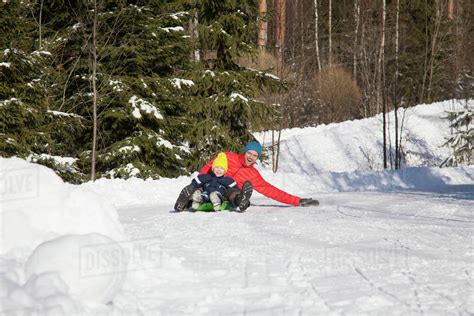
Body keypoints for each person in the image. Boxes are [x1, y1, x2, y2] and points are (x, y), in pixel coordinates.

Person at [174, 141, 319, 212]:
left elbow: (270, 190)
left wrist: (297, 201)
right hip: (210, 185)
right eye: (250, 153)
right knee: (200, 192)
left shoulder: (252, 174)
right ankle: (183, 203)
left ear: (257, 158)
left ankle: (241, 200)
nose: (251, 157)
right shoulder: (228, 157)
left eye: (255, 155)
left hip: (226, 193)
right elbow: (208, 168)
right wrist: (199, 183)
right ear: (245, 151)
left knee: (234, 191)